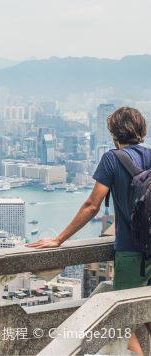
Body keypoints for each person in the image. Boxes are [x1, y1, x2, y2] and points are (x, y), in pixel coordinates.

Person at [27, 106, 151, 355]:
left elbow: (92, 205)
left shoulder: (111, 159)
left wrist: (59, 239)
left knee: (122, 321)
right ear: (141, 130)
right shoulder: (150, 154)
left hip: (131, 252)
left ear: (114, 133)